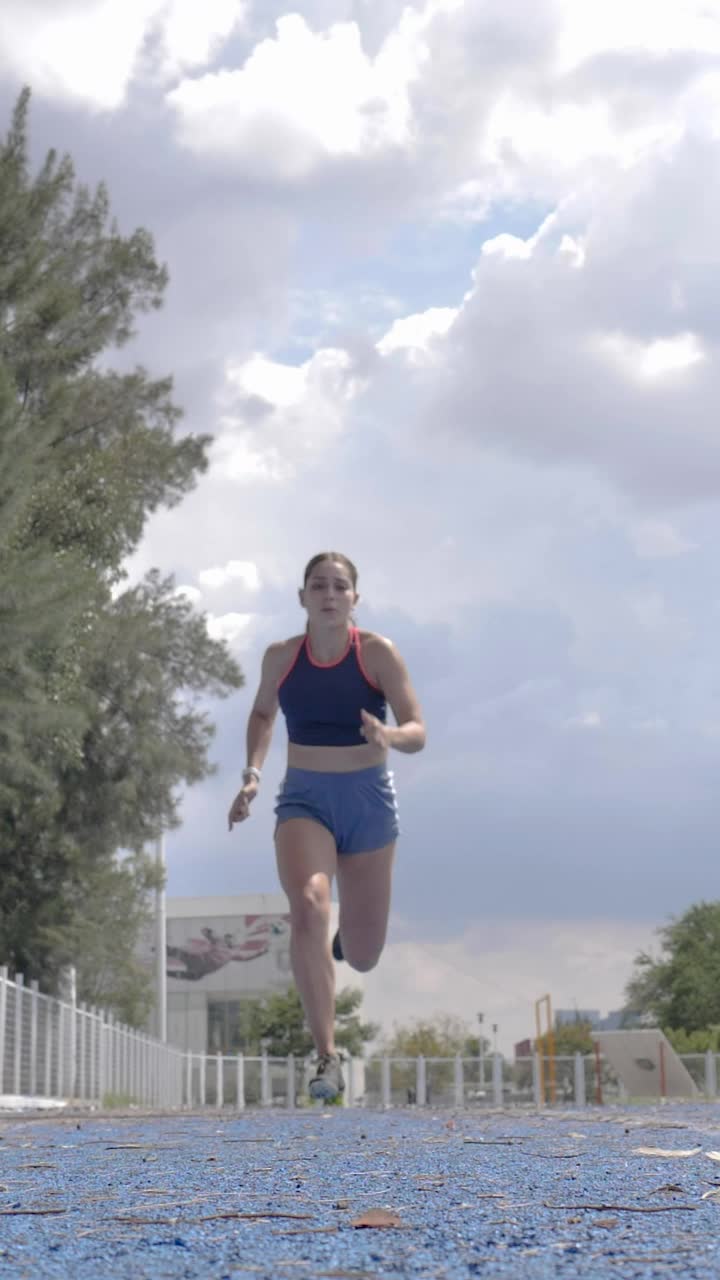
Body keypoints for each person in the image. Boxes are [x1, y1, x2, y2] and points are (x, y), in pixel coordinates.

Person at [227, 552, 426, 1101]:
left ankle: (345, 943)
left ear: (355, 599)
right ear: (303, 598)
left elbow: (417, 727)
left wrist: (390, 737)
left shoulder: (378, 654)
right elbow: (264, 713)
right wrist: (251, 775)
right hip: (305, 799)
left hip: (368, 803)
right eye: (319, 586)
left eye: (340, 586)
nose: (330, 594)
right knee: (309, 906)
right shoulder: (281, 657)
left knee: (364, 954)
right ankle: (326, 1056)